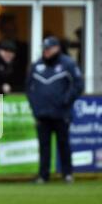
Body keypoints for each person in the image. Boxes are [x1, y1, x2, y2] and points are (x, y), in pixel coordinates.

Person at [26, 36, 84, 184]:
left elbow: (78, 85)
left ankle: (67, 174)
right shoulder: (37, 65)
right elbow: (29, 88)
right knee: (44, 146)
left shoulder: (68, 63)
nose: (46, 52)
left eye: (49, 49)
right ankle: (43, 176)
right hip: (42, 113)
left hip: (61, 113)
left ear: (57, 48)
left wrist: (65, 100)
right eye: (44, 49)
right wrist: (35, 107)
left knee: (63, 144)